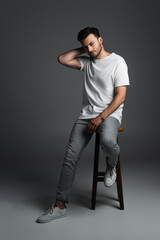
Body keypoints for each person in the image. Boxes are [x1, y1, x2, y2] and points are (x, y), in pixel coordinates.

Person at [36, 27, 130, 223]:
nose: (90, 48)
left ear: (101, 40)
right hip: (86, 116)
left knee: (107, 140)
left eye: (92, 43)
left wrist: (101, 117)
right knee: (70, 156)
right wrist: (85, 50)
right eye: (86, 46)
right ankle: (60, 205)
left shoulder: (117, 62)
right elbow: (62, 59)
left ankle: (111, 164)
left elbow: (121, 96)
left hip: (110, 114)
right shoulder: (86, 61)